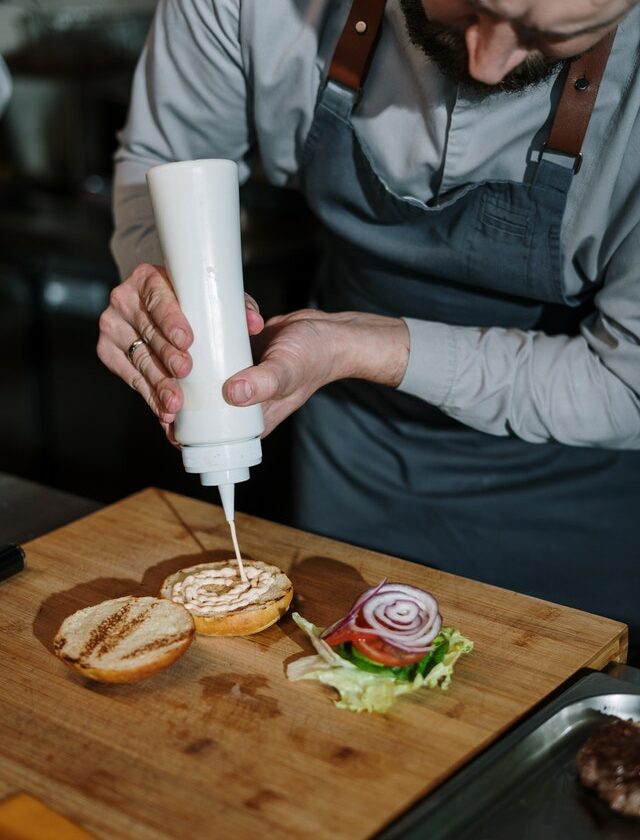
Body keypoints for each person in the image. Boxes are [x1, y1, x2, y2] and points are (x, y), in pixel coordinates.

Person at [98, 0, 640, 655]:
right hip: (352, 462)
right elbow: (164, 158)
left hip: (576, 502)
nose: (485, 61)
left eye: (554, 31)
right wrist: (165, 294)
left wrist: (356, 346)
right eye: (467, 2)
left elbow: (628, 379)